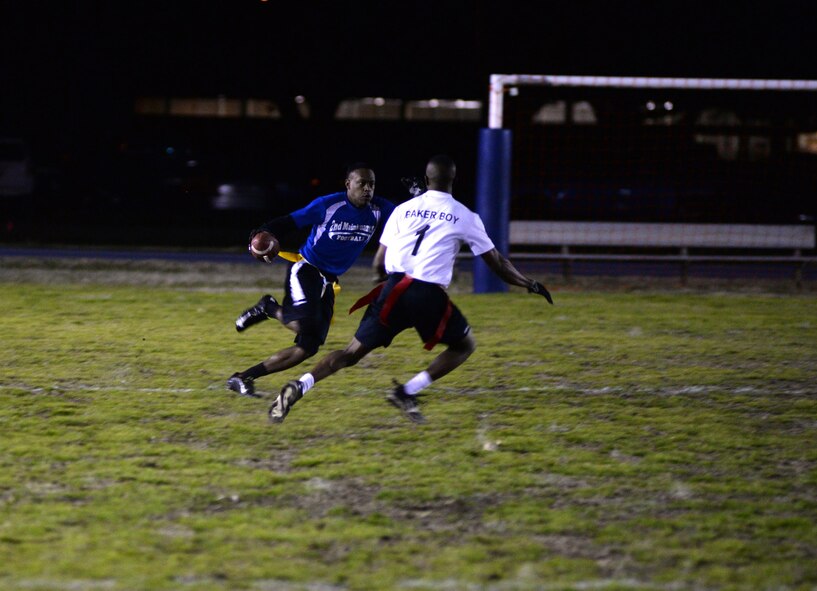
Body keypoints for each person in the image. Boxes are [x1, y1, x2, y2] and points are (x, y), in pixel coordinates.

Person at [268, 154, 553, 424]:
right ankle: (407, 391)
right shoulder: (465, 215)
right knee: (464, 345)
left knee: (350, 354)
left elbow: (379, 262)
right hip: (426, 292)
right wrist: (529, 283)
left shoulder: (402, 210)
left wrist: (385, 286)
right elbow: (498, 263)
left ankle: (301, 384)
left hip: (392, 289)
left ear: (426, 180)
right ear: (453, 179)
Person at [226, 163, 396, 398]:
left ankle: (242, 377)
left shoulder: (380, 209)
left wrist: (419, 198)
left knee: (307, 348)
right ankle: (270, 308)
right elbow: (290, 221)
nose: (368, 189)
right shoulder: (328, 205)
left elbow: (407, 219)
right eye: (362, 183)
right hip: (307, 269)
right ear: (348, 184)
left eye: (372, 184)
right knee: (305, 324)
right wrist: (261, 234)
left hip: (329, 281)